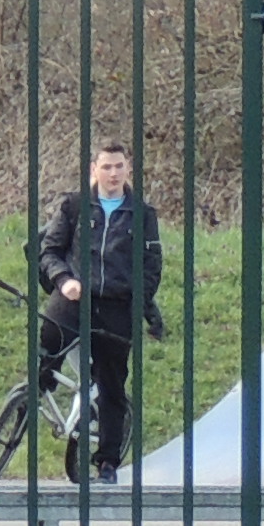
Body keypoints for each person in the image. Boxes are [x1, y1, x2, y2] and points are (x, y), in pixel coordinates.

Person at [33, 140, 157, 479]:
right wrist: (63, 280)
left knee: (112, 384)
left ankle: (107, 462)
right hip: (75, 296)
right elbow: (49, 251)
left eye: (119, 166)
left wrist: (138, 305)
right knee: (48, 335)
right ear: (94, 170)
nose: (113, 173)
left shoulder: (142, 214)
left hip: (117, 305)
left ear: (128, 168)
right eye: (106, 166)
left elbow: (151, 266)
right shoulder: (74, 206)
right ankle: (41, 386)